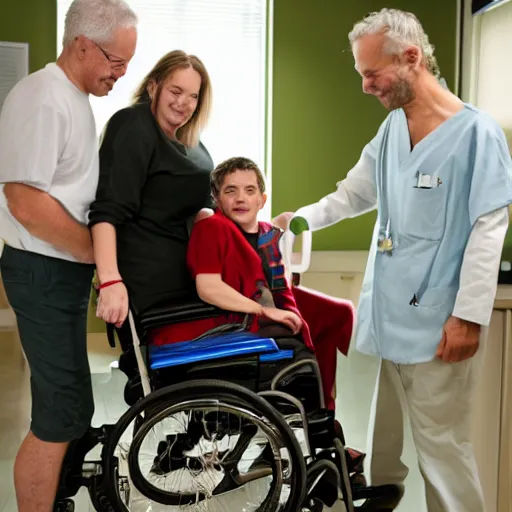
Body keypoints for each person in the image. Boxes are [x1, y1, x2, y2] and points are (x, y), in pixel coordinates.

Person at [274, 8, 512, 512]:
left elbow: (489, 229)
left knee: (443, 450)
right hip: (389, 315)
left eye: (370, 73)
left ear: (411, 58)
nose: (365, 86)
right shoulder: (392, 129)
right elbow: (355, 192)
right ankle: (383, 496)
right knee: (385, 439)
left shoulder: (476, 135)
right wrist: (301, 220)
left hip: (437, 324)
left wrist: (468, 317)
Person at [0, 0, 137, 509]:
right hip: (43, 271)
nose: (121, 74)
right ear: (82, 44)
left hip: (59, 271)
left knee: (72, 405)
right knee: (58, 415)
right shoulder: (42, 97)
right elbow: (26, 202)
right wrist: (100, 261)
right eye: (115, 62)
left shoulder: (75, 97)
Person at [89, 50, 214, 331]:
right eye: (176, 91)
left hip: (192, 282)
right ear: (153, 86)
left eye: (193, 96)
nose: (183, 103)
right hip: (150, 288)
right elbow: (106, 211)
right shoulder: (133, 126)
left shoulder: (188, 139)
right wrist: (109, 280)